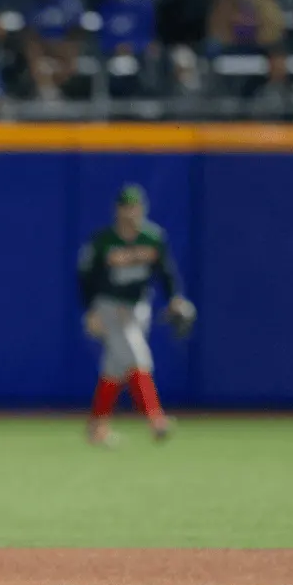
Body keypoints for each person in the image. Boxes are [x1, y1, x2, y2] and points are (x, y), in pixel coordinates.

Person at [77, 184, 190, 446]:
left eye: (135, 208)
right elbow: (85, 278)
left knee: (115, 367)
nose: (131, 213)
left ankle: (97, 427)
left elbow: (166, 272)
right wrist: (91, 310)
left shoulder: (153, 237)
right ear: (117, 210)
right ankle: (156, 419)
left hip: (139, 307)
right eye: (126, 208)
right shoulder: (102, 240)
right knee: (137, 357)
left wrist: (175, 298)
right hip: (109, 307)